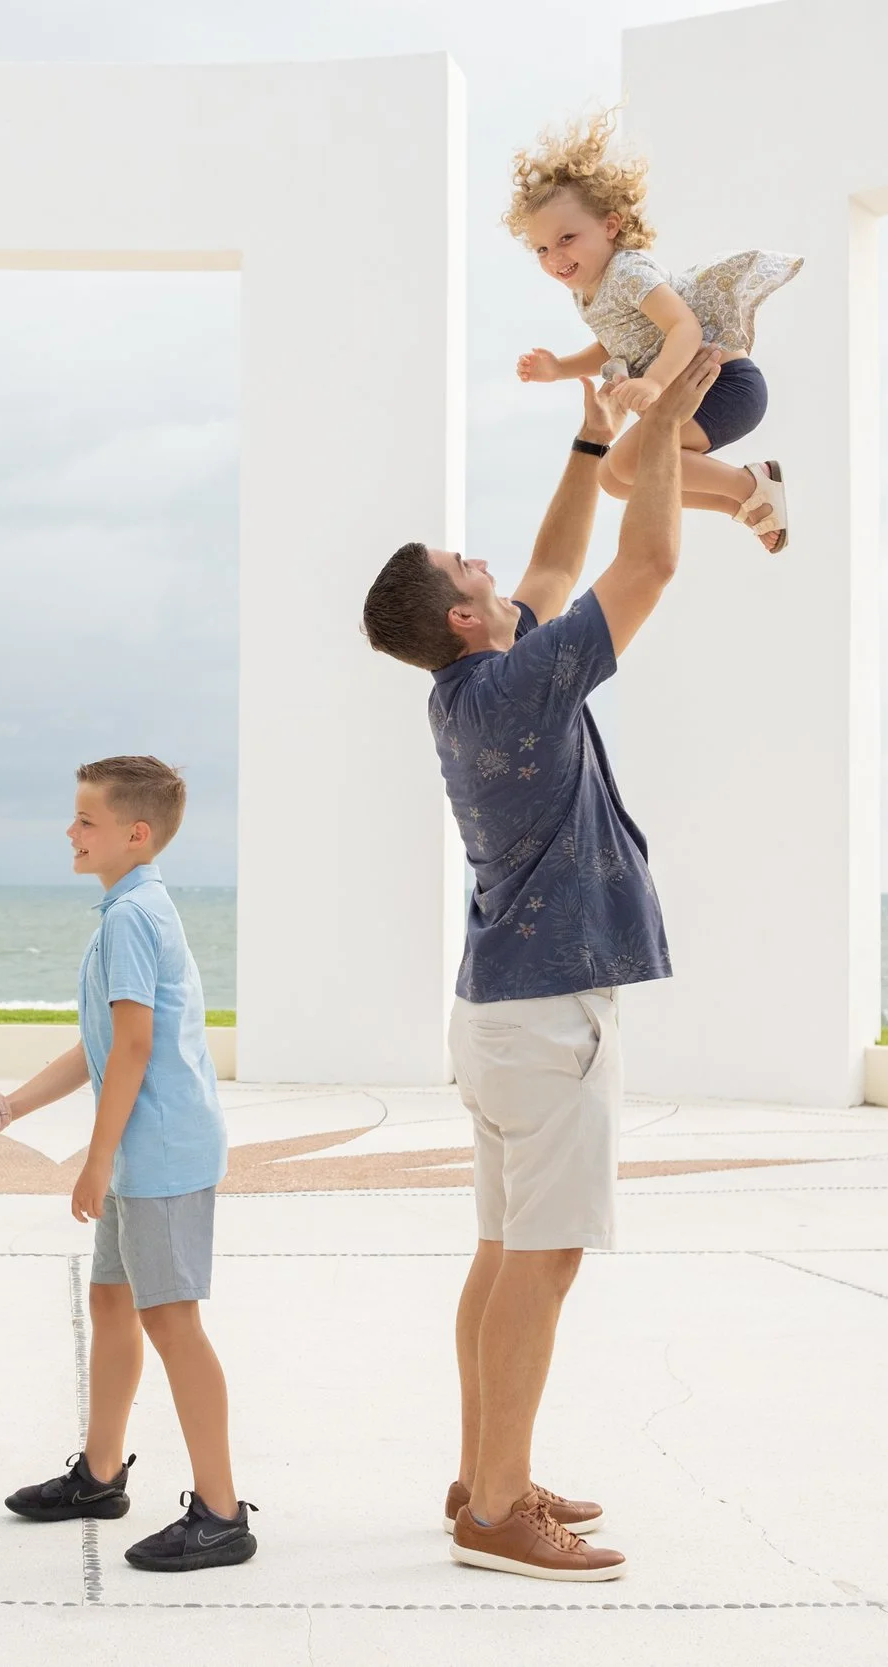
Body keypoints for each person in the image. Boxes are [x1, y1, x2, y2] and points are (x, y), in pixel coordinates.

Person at [358, 348, 722, 1584]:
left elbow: (557, 570)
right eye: (471, 568)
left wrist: (587, 442)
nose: (492, 567)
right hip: (547, 1013)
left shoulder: (475, 683)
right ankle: (497, 1509)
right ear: (463, 617)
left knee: (507, 1250)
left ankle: (485, 1471)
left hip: (504, 1015)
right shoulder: (513, 687)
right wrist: (663, 422)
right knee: (543, 1256)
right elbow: (649, 563)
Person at [0, 757, 254, 1572]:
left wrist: (92, 1164)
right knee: (111, 1298)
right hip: (143, 1150)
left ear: (136, 833)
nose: (70, 830)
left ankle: (223, 1512)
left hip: (159, 1152)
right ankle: (100, 1475)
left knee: (172, 1320)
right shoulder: (127, 909)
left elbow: (135, 1048)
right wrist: (14, 1109)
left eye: (86, 820)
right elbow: (99, 1041)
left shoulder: (133, 917)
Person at [508, 106, 801, 551]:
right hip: (689, 395)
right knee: (615, 480)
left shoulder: (628, 272)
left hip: (724, 387)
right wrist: (559, 369)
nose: (555, 257)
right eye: (542, 248)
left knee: (627, 464)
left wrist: (655, 382)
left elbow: (682, 325)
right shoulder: (587, 291)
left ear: (610, 225)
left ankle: (752, 482)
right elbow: (612, 346)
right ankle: (738, 505)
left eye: (567, 239)